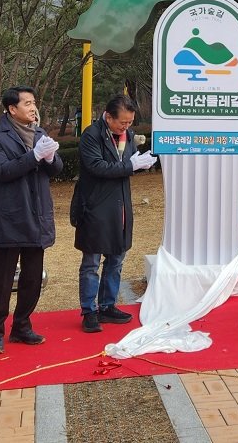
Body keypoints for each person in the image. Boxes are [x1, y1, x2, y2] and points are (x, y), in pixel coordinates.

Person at [0, 86, 62, 354]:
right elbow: (2, 171)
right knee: (3, 279)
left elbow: (56, 169)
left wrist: (50, 157)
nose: (32, 107)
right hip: (10, 216)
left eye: (33, 102)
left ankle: (22, 326)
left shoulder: (39, 133)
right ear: (11, 109)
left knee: (32, 277)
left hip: (37, 213)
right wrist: (34, 156)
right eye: (27, 103)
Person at [71, 95, 156, 333]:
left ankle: (108, 305)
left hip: (120, 206)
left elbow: (124, 165)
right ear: (108, 116)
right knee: (91, 262)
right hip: (95, 206)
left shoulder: (127, 136)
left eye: (130, 122)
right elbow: (96, 166)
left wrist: (138, 163)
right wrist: (131, 166)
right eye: (122, 122)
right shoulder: (92, 135)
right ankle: (89, 311)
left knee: (116, 259)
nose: (126, 127)